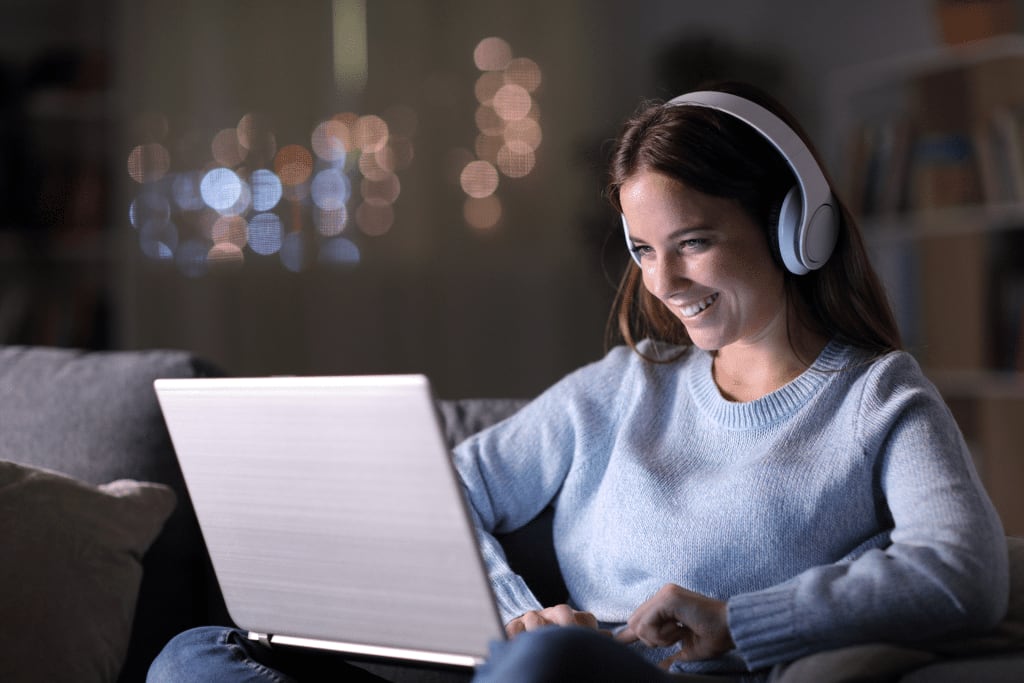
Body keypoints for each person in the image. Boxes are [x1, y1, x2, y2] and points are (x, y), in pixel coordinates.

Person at [148, 81, 1009, 682]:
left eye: (694, 241)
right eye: (644, 250)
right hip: (528, 667)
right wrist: (515, 614)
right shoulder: (625, 385)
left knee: (551, 665)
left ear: (795, 226)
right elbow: (443, 488)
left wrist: (738, 621)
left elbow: (963, 571)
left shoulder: (876, 398)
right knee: (196, 655)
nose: (664, 282)